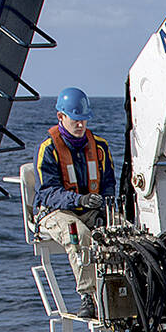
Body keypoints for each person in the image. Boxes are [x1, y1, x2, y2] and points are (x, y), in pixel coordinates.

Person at [33, 87, 115, 311]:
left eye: (84, 120)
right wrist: (80, 201)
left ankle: (118, 293)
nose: (81, 125)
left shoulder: (100, 147)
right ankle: (88, 297)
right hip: (53, 212)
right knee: (77, 234)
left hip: (89, 208)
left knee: (120, 231)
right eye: (76, 120)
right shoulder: (48, 150)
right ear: (61, 117)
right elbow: (48, 192)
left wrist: (103, 210)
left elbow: (108, 184)